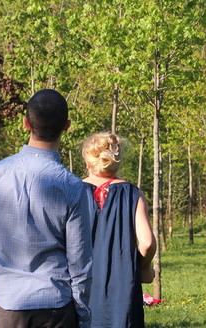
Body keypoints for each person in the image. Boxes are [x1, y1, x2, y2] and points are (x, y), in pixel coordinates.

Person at [0, 89, 92, 328]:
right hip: (55, 304)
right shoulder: (73, 187)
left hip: (8, 305)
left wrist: (4, 259)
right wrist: (83, 314)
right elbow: (80, 263)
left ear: (26, 124)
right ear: (66, 126)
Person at [82, 132, 156, 328]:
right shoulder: (133, 193)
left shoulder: (72, 192)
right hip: (123, 290)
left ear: (88, 163)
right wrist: (144, 267)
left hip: (82, 287)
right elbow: (147, 243)